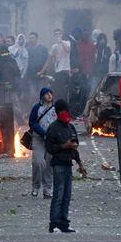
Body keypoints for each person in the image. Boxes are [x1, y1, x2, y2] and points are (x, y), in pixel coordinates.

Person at [45, 99, 86, 233]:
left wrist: (80, 164)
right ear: (58, 112)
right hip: (58, 165)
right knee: (58, 195)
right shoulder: (53, 128)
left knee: (67, 196)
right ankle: (54, 224)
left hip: (68, 164)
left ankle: (64, 223)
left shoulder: (71, 128)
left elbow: (75, 148)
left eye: (66, 110)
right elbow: (49, 148)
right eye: (62, 111)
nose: (65, 113)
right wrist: (64, 146)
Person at [29, 87, 57, 198]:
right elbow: (32, 123)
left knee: (50, 165)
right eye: (47, 93)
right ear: (42, 96)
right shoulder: (37, 108)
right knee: (38, 162)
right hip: (38, 139)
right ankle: (35, 186)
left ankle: (47, 189)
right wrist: (43, 133)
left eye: (51, 93)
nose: (49, 95)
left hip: (52, 141)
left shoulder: (56, 108)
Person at [41, 29, 72, 101]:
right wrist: (42, 71)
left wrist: (61, 42)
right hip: (57, 71)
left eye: (59, 34)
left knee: (65, 90)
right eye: (56, 34)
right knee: (58, 90)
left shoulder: (67, 43)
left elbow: (68, 50)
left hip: (65, 70)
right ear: (54, 36)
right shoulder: (53, 46)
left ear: (62, 34)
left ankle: (65, 104)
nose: (58, 35)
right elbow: (49, 60)